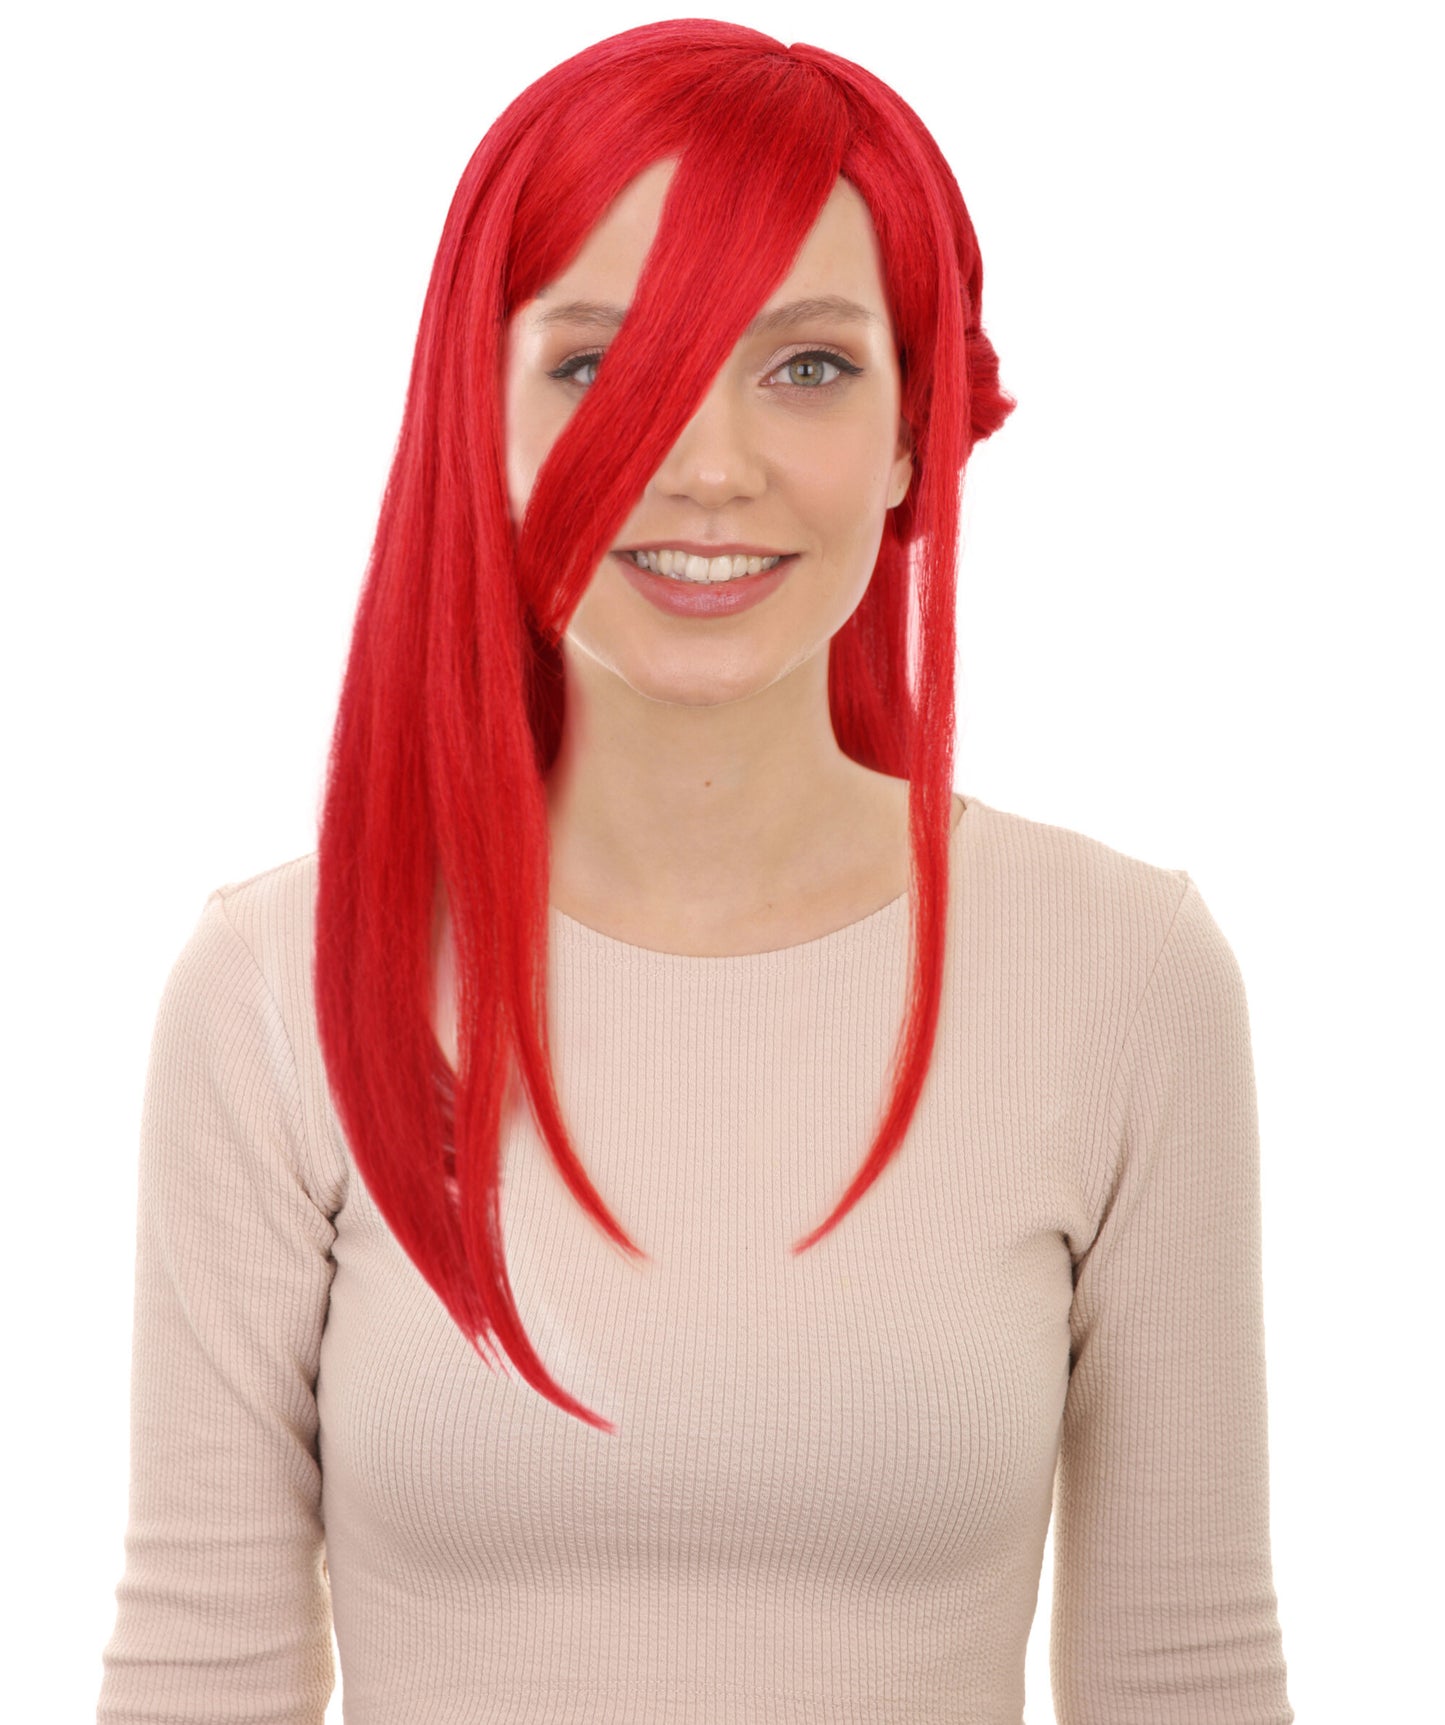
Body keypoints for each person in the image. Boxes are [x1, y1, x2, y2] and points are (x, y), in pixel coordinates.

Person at [96, 19, 1294, 1724]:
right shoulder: (273, 984)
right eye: (597, 362)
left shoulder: (1121, 972)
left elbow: (1184, 1676)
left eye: (805, 365)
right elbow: (197, 1674)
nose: (707, 463)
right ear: (477, 416)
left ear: (913, 432)